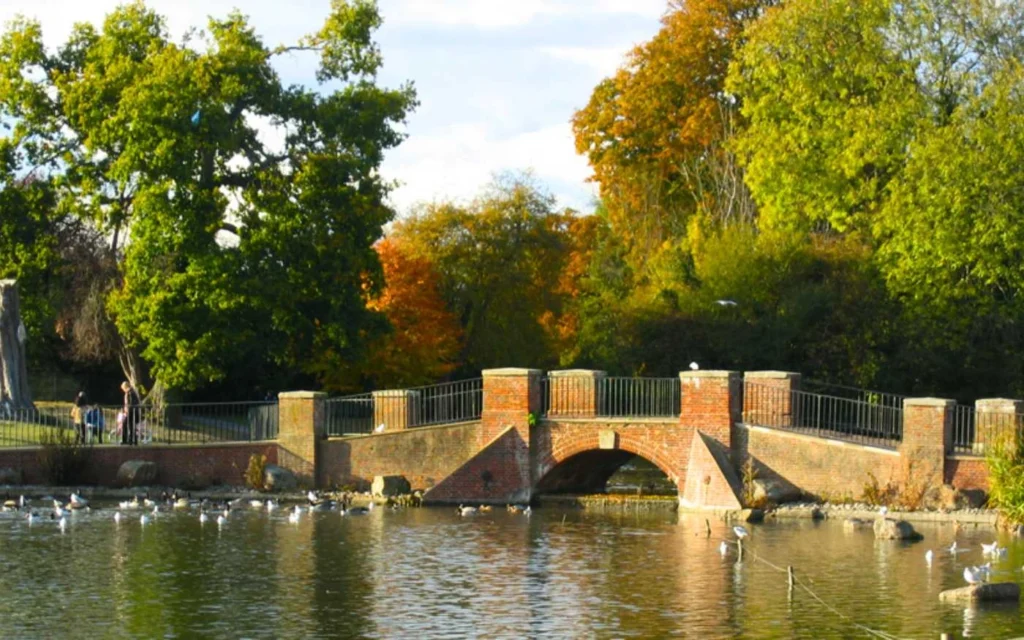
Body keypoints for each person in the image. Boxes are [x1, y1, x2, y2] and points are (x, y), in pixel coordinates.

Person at [121, 381, 140, 446]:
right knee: (131, 426)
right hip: (132, 411)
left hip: (131, 411)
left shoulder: (130, 393)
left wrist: (127, 410)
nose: (123, 390)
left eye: (123, 388)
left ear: (125, 387)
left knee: (125, 424)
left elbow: (130, 403)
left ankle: (126, 440)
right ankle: (133, 441)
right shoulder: (132, 392)